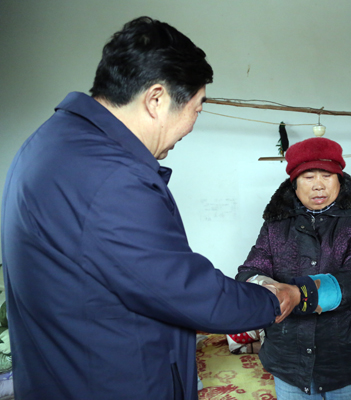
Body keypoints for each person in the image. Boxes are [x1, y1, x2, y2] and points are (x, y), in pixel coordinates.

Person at [1, 16, 299, 400]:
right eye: (197, 108)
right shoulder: (109, 177)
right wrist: (275, 299)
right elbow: (186, 291)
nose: (192, 125)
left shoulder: (53, 143)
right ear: (156, 99)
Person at [236, 137, 351, 399]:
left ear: (339, 179)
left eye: (327, 175)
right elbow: (251, 268)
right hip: (288, 354)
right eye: (308, 177)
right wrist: (267, 287)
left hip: (348, 351)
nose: (319, 185)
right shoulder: (276, 220)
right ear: (294, 184)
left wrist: (300, 294)